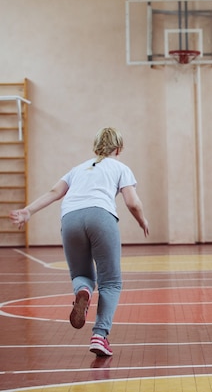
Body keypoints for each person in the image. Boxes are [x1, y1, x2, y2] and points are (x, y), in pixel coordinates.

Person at [9, 127, 149, 356]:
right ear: (119, 148)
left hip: (70, 218)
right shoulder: (121, 168)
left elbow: (55, 192)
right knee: (110, 282)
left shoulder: (78, 169)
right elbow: (133, 202)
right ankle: (99, 335)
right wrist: (142, 221)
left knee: (81, 275)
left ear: (95, 147)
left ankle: (83, 290)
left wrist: (27, 211)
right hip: (101, 216)